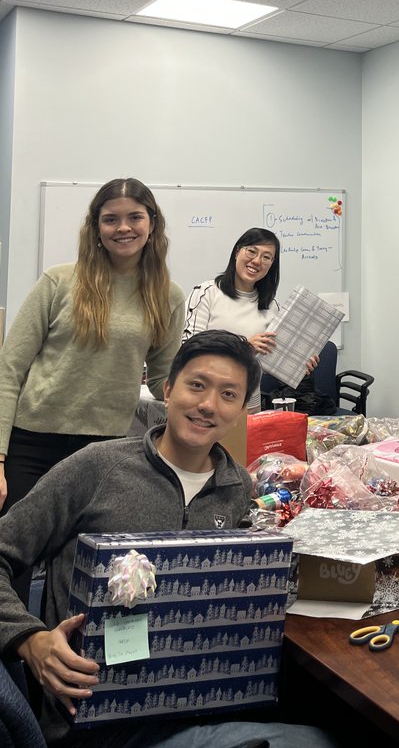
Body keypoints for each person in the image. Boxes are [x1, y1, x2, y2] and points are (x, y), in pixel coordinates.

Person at [0, 330, 338, 748]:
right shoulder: (96, 468)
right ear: (167, 390)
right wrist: (29, 640)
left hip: (202, 701)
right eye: (196, 385)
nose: (208, 405)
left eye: (228, 394)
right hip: (97, 720)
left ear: (241, 411)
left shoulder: (237, 488)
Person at [0, 179, 184, 525]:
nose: (123, 227)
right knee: (13, 551)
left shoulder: (167, 296)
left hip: (104, 450)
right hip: (33, 443)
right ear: (97, 227)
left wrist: (206, 395)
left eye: (135, 217)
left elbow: (164, 380)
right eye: (111, 219)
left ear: (152, 223)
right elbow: (9, 369)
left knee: (80, 556)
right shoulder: (58, 281)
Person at [183, 228, 283, 413]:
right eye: (251, 251)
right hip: (206, 400)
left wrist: (300, 363)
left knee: (247, 434)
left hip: (249, 401)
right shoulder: (206, 293)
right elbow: (188, 349)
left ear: (272, 264)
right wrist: (244, 347)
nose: (257, 261)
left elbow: (271, 360)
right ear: (237, 252)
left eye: (266, 257)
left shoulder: (271, 306)